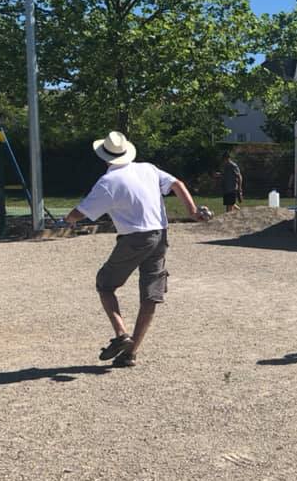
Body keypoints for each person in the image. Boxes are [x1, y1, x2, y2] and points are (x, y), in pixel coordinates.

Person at [64, 131, 209, 368]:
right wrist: (193, 212)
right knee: (150, 294)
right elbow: (177, 184)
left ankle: (121, 334)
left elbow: (81, 212)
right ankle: (130, 353)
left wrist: (68, 219)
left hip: (134, 238)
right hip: (160, 235)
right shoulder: (148, 169)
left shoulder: (108, 182)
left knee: (106, 284)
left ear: (104, 157)